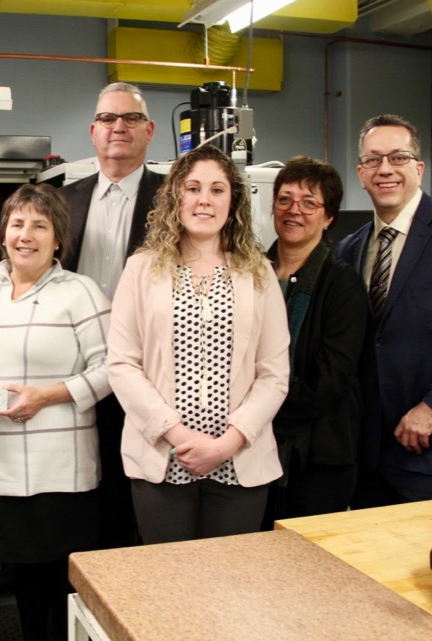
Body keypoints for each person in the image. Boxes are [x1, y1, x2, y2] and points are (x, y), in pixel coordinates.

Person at [0, 183, 111, 641]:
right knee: (21, 575)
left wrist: (48, 395)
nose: (27, 235)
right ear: (3, 234)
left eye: (39, 225)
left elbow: (113, 368)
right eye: (17, 223)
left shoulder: (80, 292)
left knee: (61, 581)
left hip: (61, 470)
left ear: (58, 238)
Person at [107, 144, 289, 543]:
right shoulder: (141, 268)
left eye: (217, 190)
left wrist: (227, 443)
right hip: (163, 460)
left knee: (231, 586)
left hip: (239, 461)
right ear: (176, 197)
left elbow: (274, 374)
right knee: (170, 585)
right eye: (193, 188)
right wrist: (180, 436)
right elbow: (121, 364)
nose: (204, 200)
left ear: (233, 201)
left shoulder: (258, 271)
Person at [59, 81, 165, 549]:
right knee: (82, 493)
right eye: (107, 119)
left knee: (136, 494)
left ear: (149, 131)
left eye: (129, 119)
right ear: (93, 131)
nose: (118, 127)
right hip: (76, 371)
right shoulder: (63, 199)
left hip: (147, 372)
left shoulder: (175, 199)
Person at [261, 157, 368, 525]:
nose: (295, 211)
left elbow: (331, 379)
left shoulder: (343, 284)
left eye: (309, 202)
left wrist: (260, 415)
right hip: (252, 451)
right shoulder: (250, 273)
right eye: (285, 199)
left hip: (317, 457)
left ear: (328, 217)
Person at [336, 114, 432, 503]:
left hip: (425, 448)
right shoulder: (349, 249)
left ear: (419, 168)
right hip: (368, 456)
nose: (385, 169)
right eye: (373, 160)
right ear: (360, 173)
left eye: (398, 157)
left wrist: (431, 407)